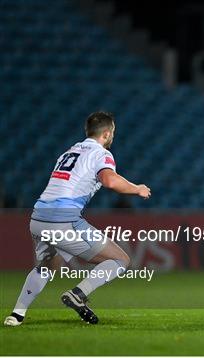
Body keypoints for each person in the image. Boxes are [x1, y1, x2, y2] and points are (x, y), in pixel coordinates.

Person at [4, 112, 151, 326]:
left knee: (46, 266)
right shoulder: (101, 153)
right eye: (113, 133)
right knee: (120, 259)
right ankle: (79, 294)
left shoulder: (68, 152)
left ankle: (16, 314)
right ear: (108, 133)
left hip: (38, 218)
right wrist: (137, 189)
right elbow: (110, 180)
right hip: (64, 220)